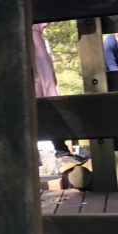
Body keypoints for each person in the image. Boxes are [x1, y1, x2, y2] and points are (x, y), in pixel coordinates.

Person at [32, 23, 85, 170]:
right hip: (33, 64)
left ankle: (62, 152)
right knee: (40, 108)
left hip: (39, 64)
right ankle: (58, 152)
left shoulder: (34, 28)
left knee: (49, 107)